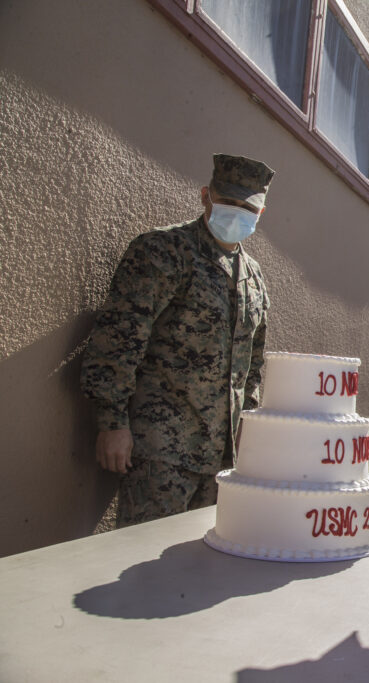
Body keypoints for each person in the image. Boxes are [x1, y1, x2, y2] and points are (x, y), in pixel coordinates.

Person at [80, 154, 274, 527]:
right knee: (140, 568)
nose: (237, 212)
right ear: (206, 196)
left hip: (222, 460)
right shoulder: (164, 252)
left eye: (247, 207)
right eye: (227, 201)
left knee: (200, 571)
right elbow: (119, 337)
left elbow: (252, 366)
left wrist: (248, 441)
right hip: (160, 453)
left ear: (260, 213)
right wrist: (111, 421)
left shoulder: (253, 278)